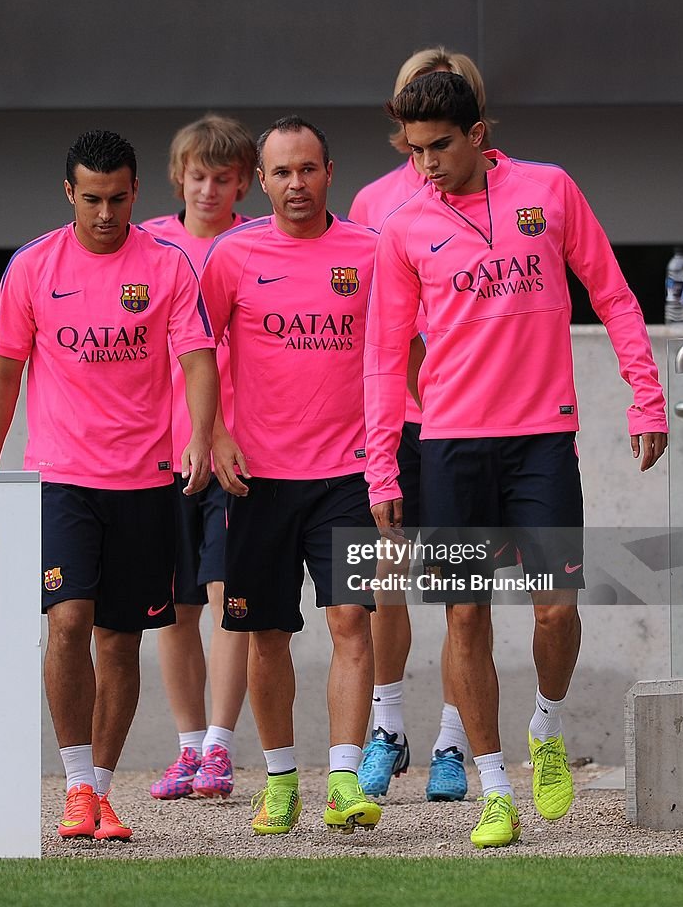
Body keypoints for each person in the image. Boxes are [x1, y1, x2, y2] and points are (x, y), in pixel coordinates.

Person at [364, 73, 668, 848]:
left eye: (440, 146)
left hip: (540, 438)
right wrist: (381, 466)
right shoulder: (402, 228)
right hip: (449, 444)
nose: (426, 163)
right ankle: (495, 785)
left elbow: (616, 294)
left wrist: (646, 394)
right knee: (465, 612)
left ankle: (547, 726)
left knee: (555, 609)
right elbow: (381, 355)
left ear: (478, 134)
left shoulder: (551, 190)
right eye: (414, 149)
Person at [0, 130, 218, 841]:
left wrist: (199, 438)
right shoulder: (32, 267)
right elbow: (3, 373)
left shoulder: (168, 265)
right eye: (91, 199)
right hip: (60, 479)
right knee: (68, 621)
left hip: (145, 483)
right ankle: (76, 786)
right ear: (68, 194)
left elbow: (199, 360)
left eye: (117, 199)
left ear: (136, 193)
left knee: (120, 641)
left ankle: (104, 793)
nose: (105, 213)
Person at [200, 116, 382, 836]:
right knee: (266, 634)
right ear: (262, 180)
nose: (296, 184)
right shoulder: (231, 253)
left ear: (329, 172)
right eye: (281, 172)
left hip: (352, 474)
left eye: (307, 169)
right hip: (259, 478)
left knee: (350, 622)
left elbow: (413, 348)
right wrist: (212, 434)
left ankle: (341, 780)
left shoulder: (371, 250)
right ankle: (280, 782)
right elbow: (194, 347)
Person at [349, 47, 492, 803]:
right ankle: (388, 728)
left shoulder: (506, 193)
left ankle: (452, 741)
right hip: (398, 425)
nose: (426, 148)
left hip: (471, 424)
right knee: (389, 575)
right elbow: (373, 329)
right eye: (413, 117)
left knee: (464, 589)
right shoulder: (376, 203)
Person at [139, 115, 256, 800]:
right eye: (197, 175)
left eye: (222, 177)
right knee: (174, 608)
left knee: (228, 601)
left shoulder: (257, 244)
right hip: (159, 452)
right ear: (178, 177)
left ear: (243, 182)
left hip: (239, 452)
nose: (208, 188)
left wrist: (217, 436)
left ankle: (219, 747)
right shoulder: (147, 242)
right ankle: (186, 749)